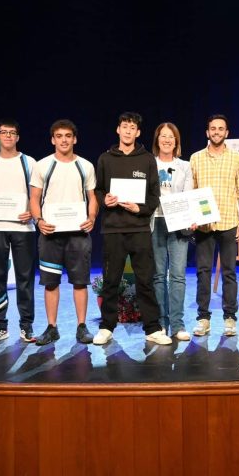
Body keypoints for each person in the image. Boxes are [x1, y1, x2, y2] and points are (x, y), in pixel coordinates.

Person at [92, 112, 171, 345]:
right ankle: (106, 327)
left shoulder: (147, 159)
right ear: (118, 130)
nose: (128, 131)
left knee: (145, 280)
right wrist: (103, 199)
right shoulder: (106, 159)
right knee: (111, 281)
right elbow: (98, 189)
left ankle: (152, 328)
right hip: (113, 230)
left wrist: (140, 208)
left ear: (138, 132)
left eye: (132, 128)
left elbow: (154, 195)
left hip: (139, 229)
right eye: (124, 127)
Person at [29, 120, 98, 346]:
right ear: (53, 140)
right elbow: (34, 198)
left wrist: (92, 218)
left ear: (74, 139)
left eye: (68, 135)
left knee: (80, 282)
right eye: (59, 136)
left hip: (78, 233)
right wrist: (38, 221)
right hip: (51, 233)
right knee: (50, 282)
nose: (64, 140)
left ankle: (81, 327)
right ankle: (51, 327)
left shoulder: (85, 166)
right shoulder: (42, 165)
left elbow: (92, 198)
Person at [189, 114, 239, 337]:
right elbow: (191, 192)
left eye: (220, 129)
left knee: (229, 272)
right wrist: (192, 218)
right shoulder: (196, 158)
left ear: (226, 133)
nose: (216, 132)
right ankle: (203, 318)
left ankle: (230, 318)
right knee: (203, 272)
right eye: (212, 129)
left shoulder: (237, 159)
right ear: (207, 133)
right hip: (204, 225)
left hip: (229, 222)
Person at [0, 119, 37, 345]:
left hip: (24, 227)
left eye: (13, 133)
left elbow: (36, 193)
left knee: (25, 278)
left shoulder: (28, 162)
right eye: (4, 132)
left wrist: (31, 213)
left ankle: (26, 325)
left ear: (18, 137)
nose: (8, 136)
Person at [151, 122, 194, 341]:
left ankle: (177, 325)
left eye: (171, 137)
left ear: (176, 141)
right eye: (163, 136)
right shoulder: (149, 163)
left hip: (178, 223)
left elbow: (188, 195)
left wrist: (191, 217)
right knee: (158, 276)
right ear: (157, 140)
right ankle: (160, 324)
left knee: (177, 276)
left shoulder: (185, 166)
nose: (167, 140)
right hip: (155, 222)